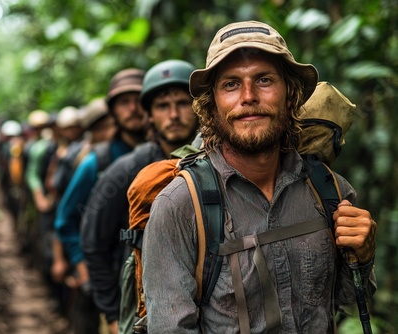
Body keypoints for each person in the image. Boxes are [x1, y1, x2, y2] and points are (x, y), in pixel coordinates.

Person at [141, 20, 377, 333]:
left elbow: (345, 298)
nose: (249, 96)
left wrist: (362, 255)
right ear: (212, 107)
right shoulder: (180, 206)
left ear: (290, 95)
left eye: (264, 80)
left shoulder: (328, 190)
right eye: (231, 84)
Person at [80, 59, 200, 333]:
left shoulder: (217, 163)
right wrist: (112, 315)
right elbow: (93, 242)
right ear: (150, 115)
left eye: (182, 103)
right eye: (162, 106)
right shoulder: (126, 171)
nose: (173, 114)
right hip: (134, 315)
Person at [54, 68, 148, 334]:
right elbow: (65, 220)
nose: (133, 109)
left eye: (139, 99)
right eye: (123, 102)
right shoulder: (97, 161)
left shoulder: (167, 156)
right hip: (109, 285)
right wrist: (82, 265)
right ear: (113, 111)